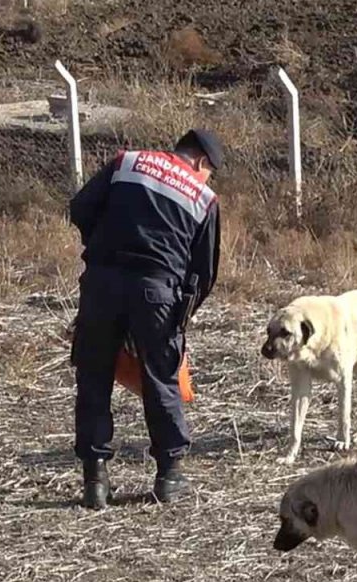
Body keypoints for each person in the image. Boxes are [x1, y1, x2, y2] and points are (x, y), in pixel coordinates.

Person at [68, 128, 224, 508]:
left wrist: (104, 250)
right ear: (202, 163)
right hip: (157, 292)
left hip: (102, 283)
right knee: (162, 380)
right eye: (209, 172)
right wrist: (179, 317)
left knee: (94, 377)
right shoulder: (203, 196)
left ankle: (95, 481)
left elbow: (80, 208)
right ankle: (169, 477)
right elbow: (204, 273)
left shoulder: (127, 162)